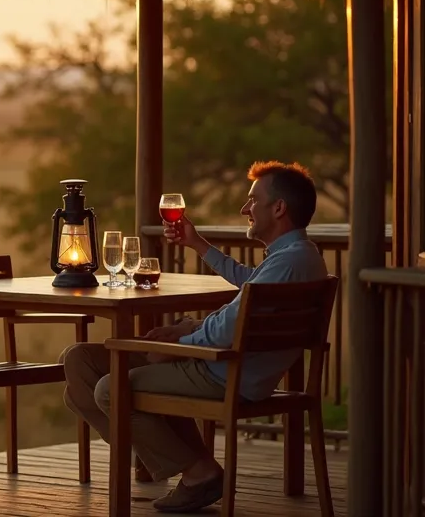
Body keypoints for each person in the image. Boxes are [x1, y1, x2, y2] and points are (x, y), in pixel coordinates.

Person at [59, 160, 328, 514]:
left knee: (110, 389)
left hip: (225, 373)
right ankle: (189, 462)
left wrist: (178, 343)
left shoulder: (288, 262)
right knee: (80, 360)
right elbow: (249, 287)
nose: (244, 208)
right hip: (226, 365)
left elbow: (226, 330)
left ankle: (195, 471)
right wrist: (199, 244)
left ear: (278, 208)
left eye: (252, 201)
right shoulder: (298, 256)